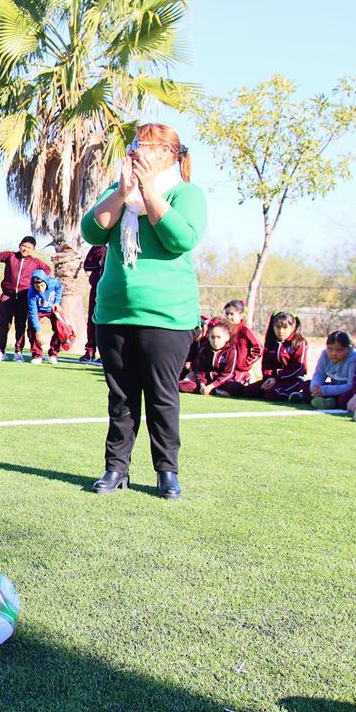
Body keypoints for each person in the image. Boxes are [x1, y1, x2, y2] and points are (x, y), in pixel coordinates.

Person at [80, 123, 206, 500]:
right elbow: (92, 231)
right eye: (134, 144)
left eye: (145, 145)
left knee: (162, 396)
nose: (135, 150)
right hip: (115, 314)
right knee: (121, 397)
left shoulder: (187, 193)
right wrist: (122, 192)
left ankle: (167, 472)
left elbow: (180, 239)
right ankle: (116, 468)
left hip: (167, 317)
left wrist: (148, 190)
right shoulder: (118, 191)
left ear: (169, 153)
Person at [217, 312, 308, 402]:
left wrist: (276, 378)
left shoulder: (299, 342)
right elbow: (266, 365)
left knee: (272, 394)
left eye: (285, 327)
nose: (281, 331)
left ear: (292, 328)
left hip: (292, 380)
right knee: (247, 392)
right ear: (273, 327)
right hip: (272, 380)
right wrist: (268, 378)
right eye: (278, 327)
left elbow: (298, 367)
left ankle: (298, 395)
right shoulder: (271, 343)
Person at [0, 237, 50, 363]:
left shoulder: (36, 262)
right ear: (20, 245)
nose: (25, 249)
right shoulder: (11, 256)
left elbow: (47, 271)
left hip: (24, 298)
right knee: (4, 324)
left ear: (33, 250)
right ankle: (0, 352)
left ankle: (18, 352)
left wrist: (37, 285)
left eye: (29, 248)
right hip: (7, 296)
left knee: (20, 325)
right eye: (24, 246)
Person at [178, 319, 237, 395]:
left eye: (219, 337)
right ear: (209, 337)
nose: (215, 341)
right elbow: (199, 370)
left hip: (221, 383)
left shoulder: (231, 351)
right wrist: (202, 384)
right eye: (213, 337)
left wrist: (211, 386)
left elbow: (227, 374)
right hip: (205, 381)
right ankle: (207, 391)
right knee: (184, 385)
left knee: (235, 388)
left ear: (227, 338)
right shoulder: (204, 348)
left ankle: (213, 391)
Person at [306, 331, 356, 409]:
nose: (334, 353)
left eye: (339, 350)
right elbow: (319, 374)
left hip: (345, 390)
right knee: (307, 385)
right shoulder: (325, 355)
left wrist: (324, 391)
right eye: (330, 349)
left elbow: (350, 386)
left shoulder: (353, 358)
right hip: (333, 387)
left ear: (349, 349)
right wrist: (315, 387)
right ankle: (316, 398)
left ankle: (331, 402)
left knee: (346, 398)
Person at [26, 269, 64, 364]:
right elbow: (33, 312)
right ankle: (37, 355)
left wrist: (57, 302)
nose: (40, 289)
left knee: (59, 327)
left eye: (42, 285)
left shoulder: (54, 283)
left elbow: (59, 288)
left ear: (46, 282)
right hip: (39, 311)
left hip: (52, 309)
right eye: (37, 286)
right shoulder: (31, 293)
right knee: (32, 327)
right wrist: (38, 331)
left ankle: (53, 354)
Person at [79, 244, 107, 364]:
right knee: (92, 319)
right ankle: (89, 351)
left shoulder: (118, 243)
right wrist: (101, 261)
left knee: (106, 321)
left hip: (111, 289)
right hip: (95, 289)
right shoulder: (97, 246)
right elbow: (87, 265)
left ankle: (104, 353)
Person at [223, 300, 262, 383]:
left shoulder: (245, 330)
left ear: (241, 316)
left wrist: (246, 362)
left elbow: (259, 348)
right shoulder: (223, 330)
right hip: (227, 369)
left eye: (232, 314)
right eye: (227, 314)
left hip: (240, 371)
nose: (229, 317)